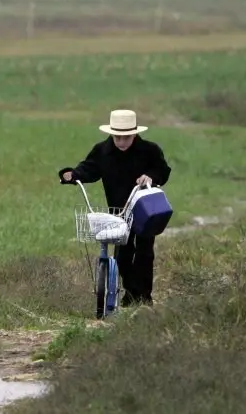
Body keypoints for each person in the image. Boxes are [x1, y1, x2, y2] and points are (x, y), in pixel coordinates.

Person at [58, 109, 171, 307]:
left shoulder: (150, 150)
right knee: (123, 253)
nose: (121, 142)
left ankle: (144, 297)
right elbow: (89, 169)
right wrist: (72, 175)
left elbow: (162, 170)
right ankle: (130, 293)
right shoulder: (103, 151)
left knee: (145, 252)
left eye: (126, 137)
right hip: (118, 210)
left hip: (146, 209)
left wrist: (150, 177)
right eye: (117, 137)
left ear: (134, 133)